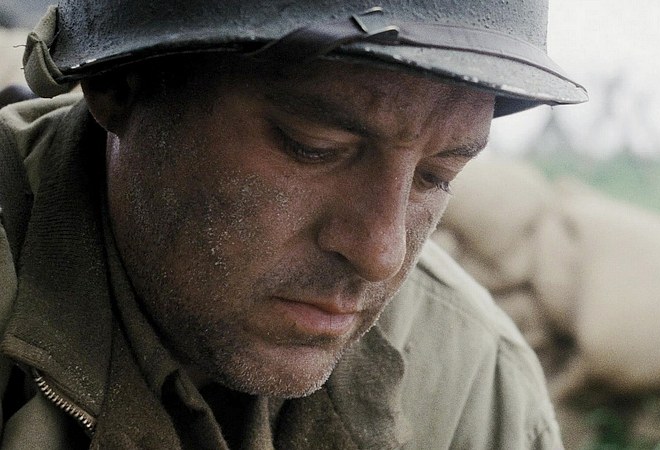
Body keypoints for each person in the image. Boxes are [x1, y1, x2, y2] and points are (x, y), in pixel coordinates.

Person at [0, 0, 587, 447]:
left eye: (435, 177)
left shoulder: (475, 381)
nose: (381, 254)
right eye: (314, 147)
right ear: (121, 85)